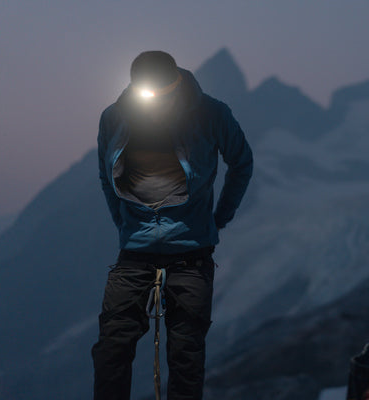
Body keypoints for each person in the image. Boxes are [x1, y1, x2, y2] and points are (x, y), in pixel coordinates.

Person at [92, 50, 253, 400]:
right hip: (134, 249)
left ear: (175, 82)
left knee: (186, 355)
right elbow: (106, 176)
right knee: (111, 349)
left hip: (191, 252)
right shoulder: (114, 117)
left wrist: (219, 218)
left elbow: (242, 163)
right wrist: (122, 222)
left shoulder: (210, 113)